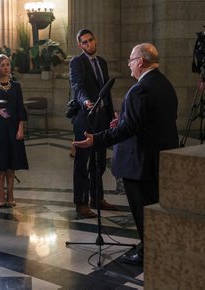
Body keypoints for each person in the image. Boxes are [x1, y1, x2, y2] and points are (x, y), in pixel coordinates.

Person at [73, 43, 179, 265]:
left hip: (139, 162)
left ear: (141, 61)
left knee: (143, 211)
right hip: (161, 157)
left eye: (131, 59)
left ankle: (147, 252)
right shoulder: (165, 84)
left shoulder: (139, 89)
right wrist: (123, 120)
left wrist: (96, 139)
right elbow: (150, 121)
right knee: (154, 206)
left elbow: (129, 129)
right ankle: (156, 245)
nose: (129, 64)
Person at [69, 28, 116, 219]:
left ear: (95, 41)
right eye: (85, 42)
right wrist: (85, 101)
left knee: (99, 162)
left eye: (91, 40)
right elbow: (77, 86)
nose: (89, 44)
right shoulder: (77, 62)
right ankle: (81, 203)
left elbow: (106, 90)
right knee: (82, 161)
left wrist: (112, 112)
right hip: (85, 117)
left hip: (103, 117)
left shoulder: (102, 62)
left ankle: (97, 198)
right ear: (80, 45)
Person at [0, 54, 29, 208]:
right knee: (0, 161)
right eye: (2, 65)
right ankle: (1, 194)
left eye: (8, 64)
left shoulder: (16, 86)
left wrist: (20, 127)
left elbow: (20, 108)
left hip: (13, 127)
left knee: (12, 162)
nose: (6, 67)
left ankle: (11, 193)